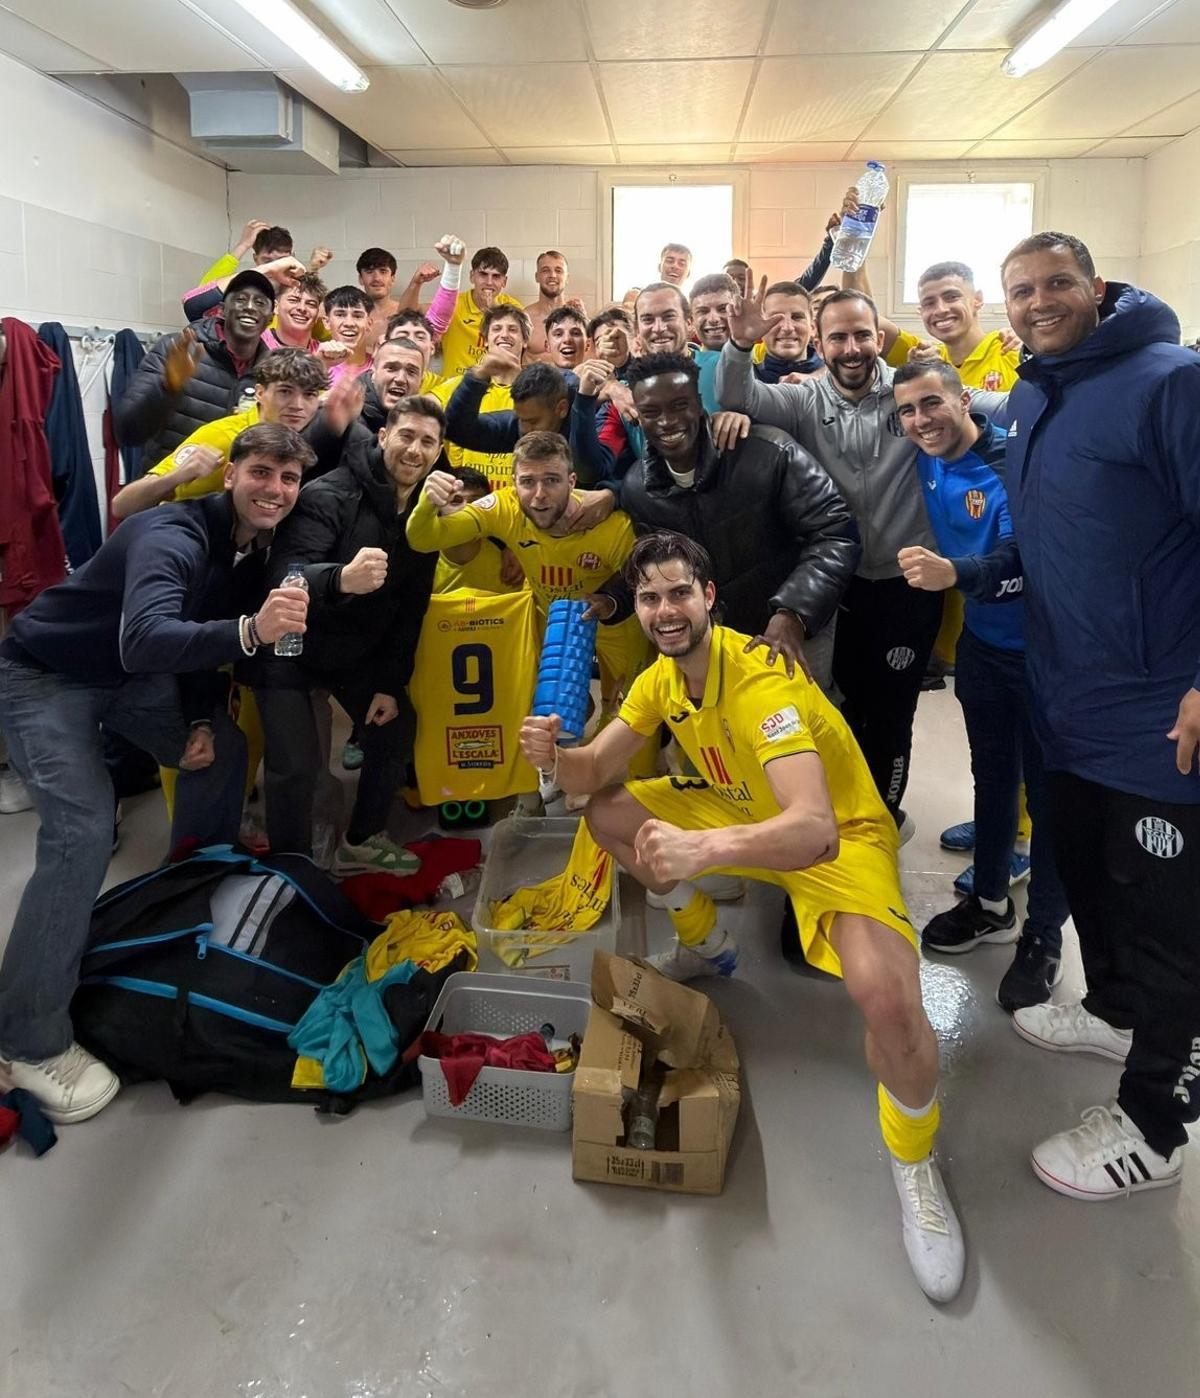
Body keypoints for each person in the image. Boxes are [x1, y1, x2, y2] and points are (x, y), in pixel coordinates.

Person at [519, 531, 964, 1302]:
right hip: (736, 810)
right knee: (610, 817)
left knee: (889, 1000)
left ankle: (915, 1162)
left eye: (678, 594)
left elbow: (814, 828)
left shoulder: (763, 687)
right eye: (651, 598)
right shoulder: (662, 678)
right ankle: (709, 948)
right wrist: (553, 754)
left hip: (834, 841)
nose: (664, 611)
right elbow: (594, 774)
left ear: (709, 598)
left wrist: (700, 850)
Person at [0, 423, 314, 1123]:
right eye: (262, 472)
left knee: (222, 746)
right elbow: (145, 639)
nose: (275, 489)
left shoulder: (245, 549)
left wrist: (199, 718)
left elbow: (195, 639)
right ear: (230, 474)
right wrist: (251, 632)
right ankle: (24, 1039)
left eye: (289, 479)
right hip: (44, 678)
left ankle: (187, 892)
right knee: (82, 831)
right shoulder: (172, 533)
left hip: (125, 681)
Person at [994, 231, 1200, 1201]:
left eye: (1057, 284)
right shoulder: (1035, 392)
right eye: (1022, 290)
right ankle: (1113, 1008)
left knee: (1170, 922)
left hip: (1163, 713)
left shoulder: (1170, 380)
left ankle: (1158, 1126)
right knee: (1089, 873)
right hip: (1067, 697)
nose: (1039, 302)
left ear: (1098, 287)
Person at [717, 283, 941, 833]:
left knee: (891, 714)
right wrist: (741, 348)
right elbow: (740, 399)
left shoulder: (911, 391)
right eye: (837, 336)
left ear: (880, 338)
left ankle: (881, 823)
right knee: (835, 709)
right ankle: (838, 815)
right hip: (836, 585)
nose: (851, 348)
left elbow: (974, 410)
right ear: (821, 340)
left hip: (905, 585)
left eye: (862, 335)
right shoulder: (803, 398)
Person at [892, 361, 1068, 1012]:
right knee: (994, 778)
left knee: (1052, 802)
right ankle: (991, 902)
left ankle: (1044, 940)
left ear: (964, 399)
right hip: (984, 649)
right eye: (907, 411)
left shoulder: (1010, 465)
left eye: (932, 403)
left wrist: (957, 574)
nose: (921, 421)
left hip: (1049, 655)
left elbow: (1022, 559)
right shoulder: (922, 453)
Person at [246, 397, 444, 871]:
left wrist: (389, 683)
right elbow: (284, 575)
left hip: (354, 649)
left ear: (439, 451)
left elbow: (410, 608)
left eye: (427, 441)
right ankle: (292, 869)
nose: (414, 450)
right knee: (296, 769)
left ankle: (363, 838)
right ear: (382, 437)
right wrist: (338, 578)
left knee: (395, 726)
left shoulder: (424, 513)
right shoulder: (329, 494)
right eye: (406, 436)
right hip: (290, 644)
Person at [586, 352, 858, 695]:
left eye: (679, 405)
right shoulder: (638, 487)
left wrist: (794, 613)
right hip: (712, 639)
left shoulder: (768, 451)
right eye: (651, 412)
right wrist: (612, 599)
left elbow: (835, 532)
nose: (667, 421)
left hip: (793, 630)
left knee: (804, 732)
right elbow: (653, 562)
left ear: (700, 404)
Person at [407, 431, 647, 710]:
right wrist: (426, 503)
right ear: (513, 484)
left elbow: (639, 580)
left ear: (571, 481)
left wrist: (609, 601)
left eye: (552, 481)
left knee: (628, 715)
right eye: (527, 482)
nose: (539, 495)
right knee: (551, 713)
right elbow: (423, 539)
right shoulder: (504, 508)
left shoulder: (612, 526)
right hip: (551, 622)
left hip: (615, 624)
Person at [112, 348, 332, 518]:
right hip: (176, 543)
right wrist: (178, 476)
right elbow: (121, 505)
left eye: (309, 395)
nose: (298, 405)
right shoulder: (223, 436)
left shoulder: (298, 439)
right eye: (285, 391)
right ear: (260, 393)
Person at [115, 270, 276, 469]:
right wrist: (166, 387)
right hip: (167, 491)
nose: (250, 307)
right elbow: (128, 431)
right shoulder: (176, 349)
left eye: (260, 303)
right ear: (222, 310)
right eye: (241, 300)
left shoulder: (272, 372)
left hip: (230, 493)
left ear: (270, 319)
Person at [439, 246, 523, 379]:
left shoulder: (514, 308)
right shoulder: (454, 304)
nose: (489, 282)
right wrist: (416, 283)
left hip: (495, 390)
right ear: (472, 276)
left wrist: (494, 312)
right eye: (483, 274)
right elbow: (410, 314)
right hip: (454, 388)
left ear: (504, 282)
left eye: (496, 276)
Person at [689, 272, 738, 412]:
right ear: (691, 321)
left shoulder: (762, 360)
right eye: (703, 311)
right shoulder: (682, 369)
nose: (713, 319)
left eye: (723, 309)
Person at [358, 337, 429, 434]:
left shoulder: (427, 425)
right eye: (391, 368)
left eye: (411, 372)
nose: (400, 379)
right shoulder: (344, 416)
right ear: (373, 372)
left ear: (421, 381)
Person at [756, 282, 823, 382]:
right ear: (760, 329)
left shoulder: (840, 376)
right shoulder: (742, 378)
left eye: (797, 317)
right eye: (776, 318)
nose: (787, 328)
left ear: (813, 327)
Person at [524, 250, 585, 356]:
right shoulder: (525, 318)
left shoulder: (578, 317)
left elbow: (589, 356)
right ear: (537, 277)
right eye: (545, 270)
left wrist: (584, 323)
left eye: (558, 270)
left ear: (567, 278)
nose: (552, 275)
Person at [323, 285, 375, 385]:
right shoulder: (313, 368)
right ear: (327, 322)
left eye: (357, 316)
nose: (349, 323)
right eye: (340, 315)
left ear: (369, 323)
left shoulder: (380, 369)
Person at [356, 246, 400, 353]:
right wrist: (314, 269)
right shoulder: (349, 315)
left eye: (383, 271)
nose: (377, 278)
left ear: (393, 278)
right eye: (369, 271)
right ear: (361, 279)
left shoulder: (403, 312)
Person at [543, 304, 588, 374]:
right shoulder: (537, 383)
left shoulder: (603, 382)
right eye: (558, 334)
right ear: (547, 345)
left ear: (587, 344)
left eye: (575, 333)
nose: (567, 339)